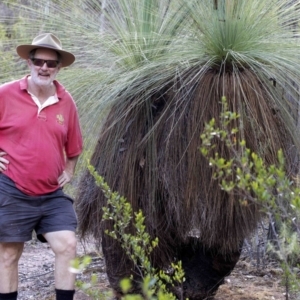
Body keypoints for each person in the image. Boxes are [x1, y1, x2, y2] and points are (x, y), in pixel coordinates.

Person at [0, 33, 83, 300]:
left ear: (59, 68)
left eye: (50, 63)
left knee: (68, 244)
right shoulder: (5, 94)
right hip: (11, 188)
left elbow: (74, 146)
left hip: (51, 194)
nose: (44, 67)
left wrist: (69, 169)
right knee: (9, 253)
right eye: (38, 61)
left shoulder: (66, 101)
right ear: (29, 62)